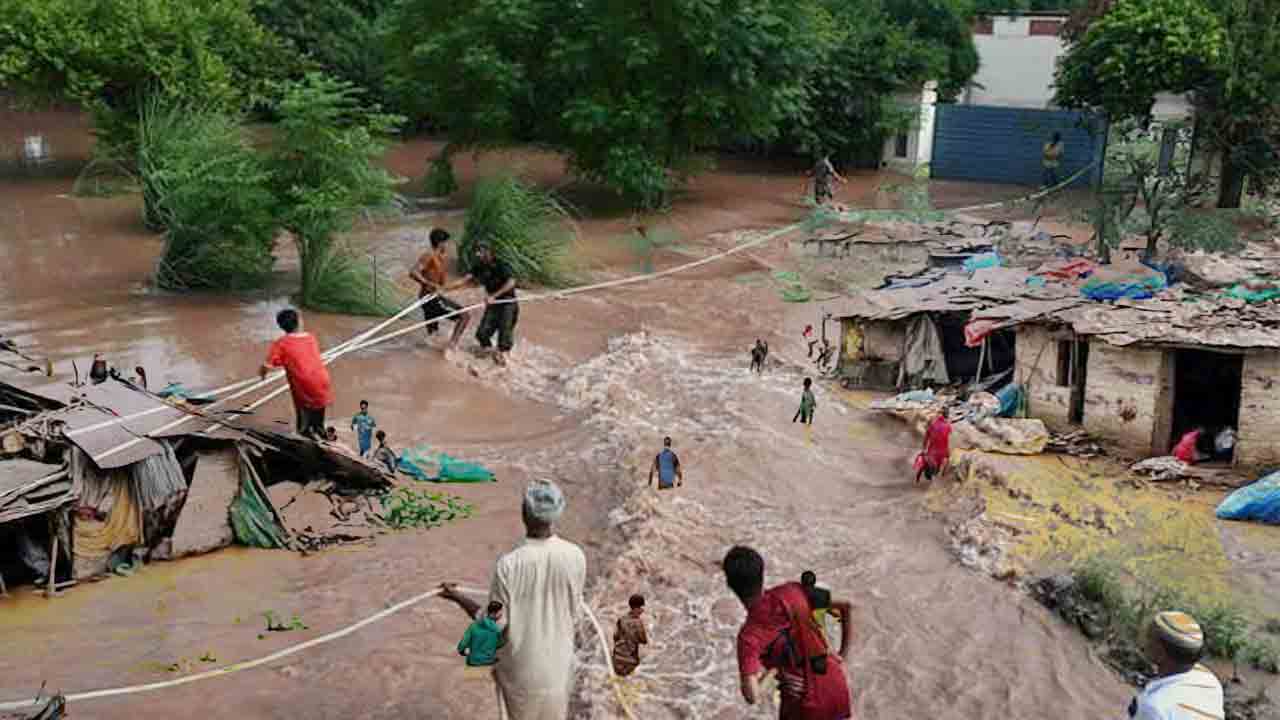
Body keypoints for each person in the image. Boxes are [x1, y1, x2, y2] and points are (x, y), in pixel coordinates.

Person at [440, 479, 586, 720]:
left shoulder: (509, 565)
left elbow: (493, 624)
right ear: (557, 513)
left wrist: (457, 597)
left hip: (523, 674)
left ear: (523, 513)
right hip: (560, 668)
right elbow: (575, 613)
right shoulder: (576, 556)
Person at [723, 546, 854, 720]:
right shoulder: (793, 591)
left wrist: (774, 672)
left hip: (805, 704)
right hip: (836, 685)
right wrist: (842, 655)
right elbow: (846, 606)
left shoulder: (749, 636)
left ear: (730, 586)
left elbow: (752, 695)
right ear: (762, 573)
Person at [1127, 611, 1224, 720]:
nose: (1144, 642)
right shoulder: (1208, 679)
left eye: (1149, 637)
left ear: (1160, 652)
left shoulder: (1155, 708)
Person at [261, 308, 334, 440]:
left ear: (281, 326)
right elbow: (300, 356)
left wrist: (262, 375)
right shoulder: (311, 338)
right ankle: (320, 430)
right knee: (318, 406)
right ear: (299, 322)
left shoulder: (281, 343)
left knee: (303, 411)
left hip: (302, 384)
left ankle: (305, 435)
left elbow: (267, 365)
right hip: (322, 380)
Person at [446, 243, 519, 367]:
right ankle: (489, 356)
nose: (477, 254)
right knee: (482, 334)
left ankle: (503, 362)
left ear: (488, 252)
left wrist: (494, 296)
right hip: (492, 304)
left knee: (504, 337)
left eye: (480, 251)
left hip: (507, 303)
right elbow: (464, 280)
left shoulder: (501, 265)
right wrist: (444, 288)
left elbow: (511, 282)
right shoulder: (479, 266)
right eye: (477, 252)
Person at [410, 228, 471, 349]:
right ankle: (452, 346)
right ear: (441, 243)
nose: (449, 245)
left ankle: (433, 356)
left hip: (430, 298)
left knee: (433, 336)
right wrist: (427, 283)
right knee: (464, 316)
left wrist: (463, 282)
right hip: (430, 299)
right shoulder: (429, 255)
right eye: (447, 243)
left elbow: (442, 286)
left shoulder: (441, 258)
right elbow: (413, 272)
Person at [458, 601, 507, 668]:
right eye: (500, 613)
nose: (501, 615)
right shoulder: (497, 630)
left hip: (472, 662)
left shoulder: (473, 626)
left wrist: (462, 651)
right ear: (494, 613)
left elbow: (463, 643)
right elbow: (500, 644)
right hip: (488, 662)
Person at [612, 594, 649, 677]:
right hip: (629, 660)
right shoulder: (638, 622)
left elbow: (615, 636)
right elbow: (643, 640)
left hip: (617, 658)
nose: (642, 610)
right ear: (637, 608)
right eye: (641, 608)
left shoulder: (621, 619)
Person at [916, 411, 952, 483]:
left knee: (932, 462)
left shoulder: (934, 424)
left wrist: (923, 449)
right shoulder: (948, 426)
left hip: (935, 451)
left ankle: (934, 477)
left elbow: (926, 438)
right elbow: (947, 436)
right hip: (941, 451)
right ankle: (939, 476)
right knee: (942, 462)